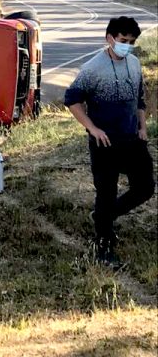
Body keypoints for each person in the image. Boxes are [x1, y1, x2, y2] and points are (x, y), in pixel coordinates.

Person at [64, 16, 155, 266]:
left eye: (131, 41)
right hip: (104, 143)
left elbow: (139, 99)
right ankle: (104, 244)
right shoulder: (92, 69)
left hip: (132, 139)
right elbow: (72, 100)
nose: (127, 45)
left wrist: (143, 127)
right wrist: (92, 128)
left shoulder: (134, 64)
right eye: (123, 40)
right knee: (106, 192)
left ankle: (104, 216)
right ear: (110, 38)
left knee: (145, 187)